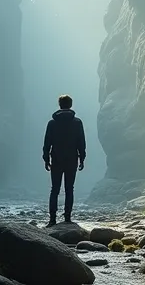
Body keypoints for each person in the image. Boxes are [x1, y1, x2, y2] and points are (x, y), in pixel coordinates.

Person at [42, 94, 86, 226]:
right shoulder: (77, 122)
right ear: (70, 105)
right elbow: (81, 142)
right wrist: (82, 158)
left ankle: (52, 219)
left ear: (59, 105)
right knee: (69, 189)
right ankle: (67, 218)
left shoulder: (52, 123)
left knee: (54, 189)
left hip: (56, 158)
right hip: (72, 159)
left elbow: (47, 142)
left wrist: (46, 158)